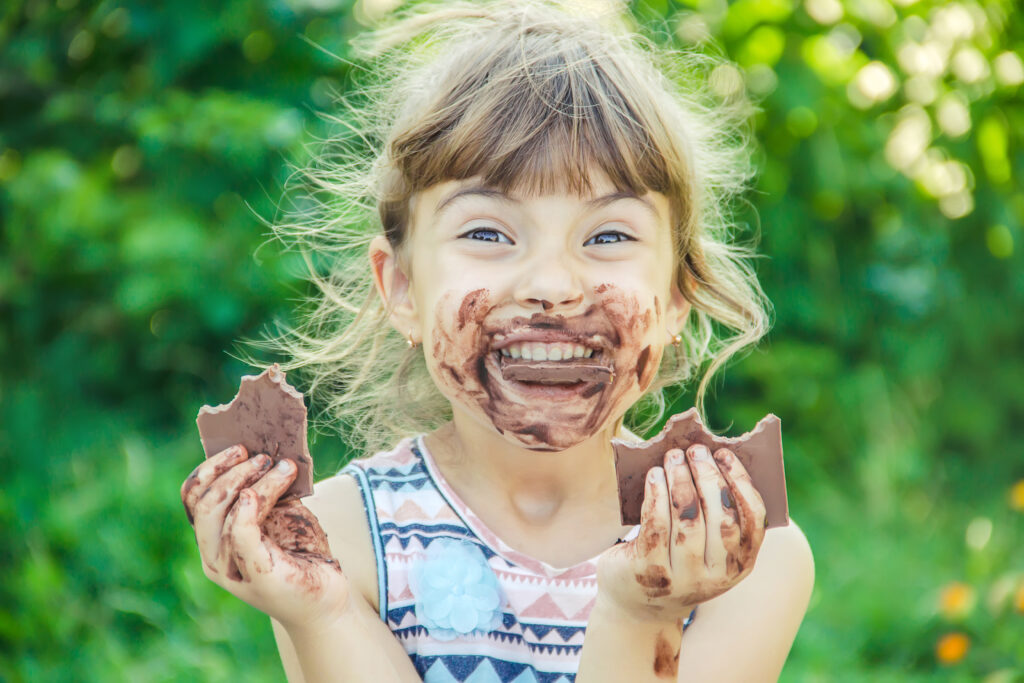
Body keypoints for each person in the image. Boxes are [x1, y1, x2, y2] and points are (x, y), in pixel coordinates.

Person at [181, 2, 814, 681]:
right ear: (401, 288)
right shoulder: (334, 541)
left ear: (675, 299)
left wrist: (639, 615)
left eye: (608, 236)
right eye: (488, 233)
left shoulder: (741, 553)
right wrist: (321, 615)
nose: (551, 285)